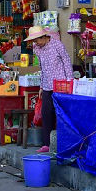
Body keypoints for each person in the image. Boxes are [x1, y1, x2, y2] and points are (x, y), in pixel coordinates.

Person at [25, 25, 73, 153]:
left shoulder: (57, 45)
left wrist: (70, 81)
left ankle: (63, 143)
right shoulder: (37, 48)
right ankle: (46, 144)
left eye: (36, 40)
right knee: (46, 114)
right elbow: (42, 68)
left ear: (43, 37)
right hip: (47, 85)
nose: (35, 43)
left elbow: (67, 62)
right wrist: (41, 86)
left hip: (61, 85)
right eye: (34, 41)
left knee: (61, 114)